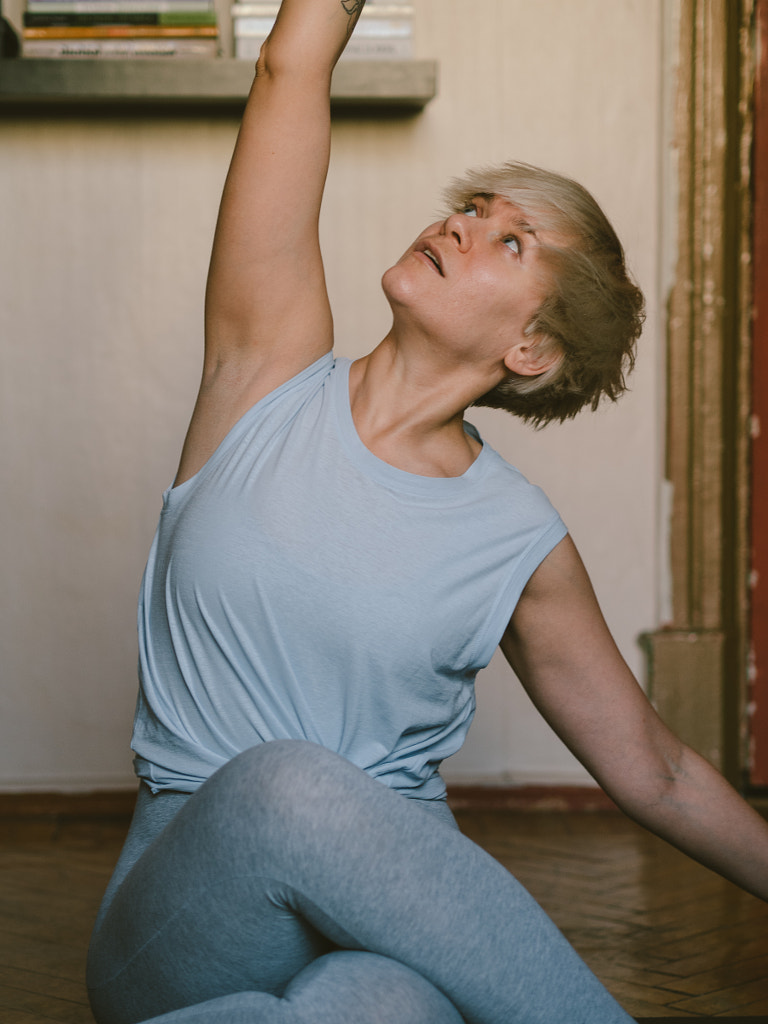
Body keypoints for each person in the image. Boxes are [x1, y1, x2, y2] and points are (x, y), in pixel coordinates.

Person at [86, 2, 768, 1022]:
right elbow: (289, 68)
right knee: (293, 785)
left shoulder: (517, 539)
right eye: (472, 205)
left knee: (379, 1003)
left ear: (531, 349)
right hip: (190, 905)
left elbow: (659, 771)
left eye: (509, 238)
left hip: (403, 917)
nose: (460, 222)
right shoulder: (263, 371)